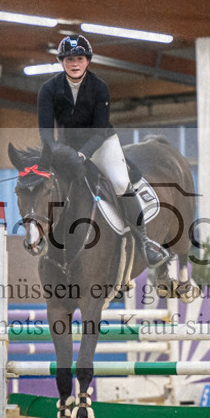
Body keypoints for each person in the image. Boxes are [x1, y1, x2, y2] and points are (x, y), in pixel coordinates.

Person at [37, 34, 169, 268]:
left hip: (101, 144)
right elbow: (46, 130)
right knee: (53, 185)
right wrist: (53, 153)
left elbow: (98, 132)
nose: (74, 63)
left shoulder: (99, 88)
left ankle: (144, 242)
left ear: (87, 61)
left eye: (79, 58)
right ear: (61, 63)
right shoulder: (48, 89)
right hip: (65, 148)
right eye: (69, 59)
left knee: (119, 182)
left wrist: (83, 155)